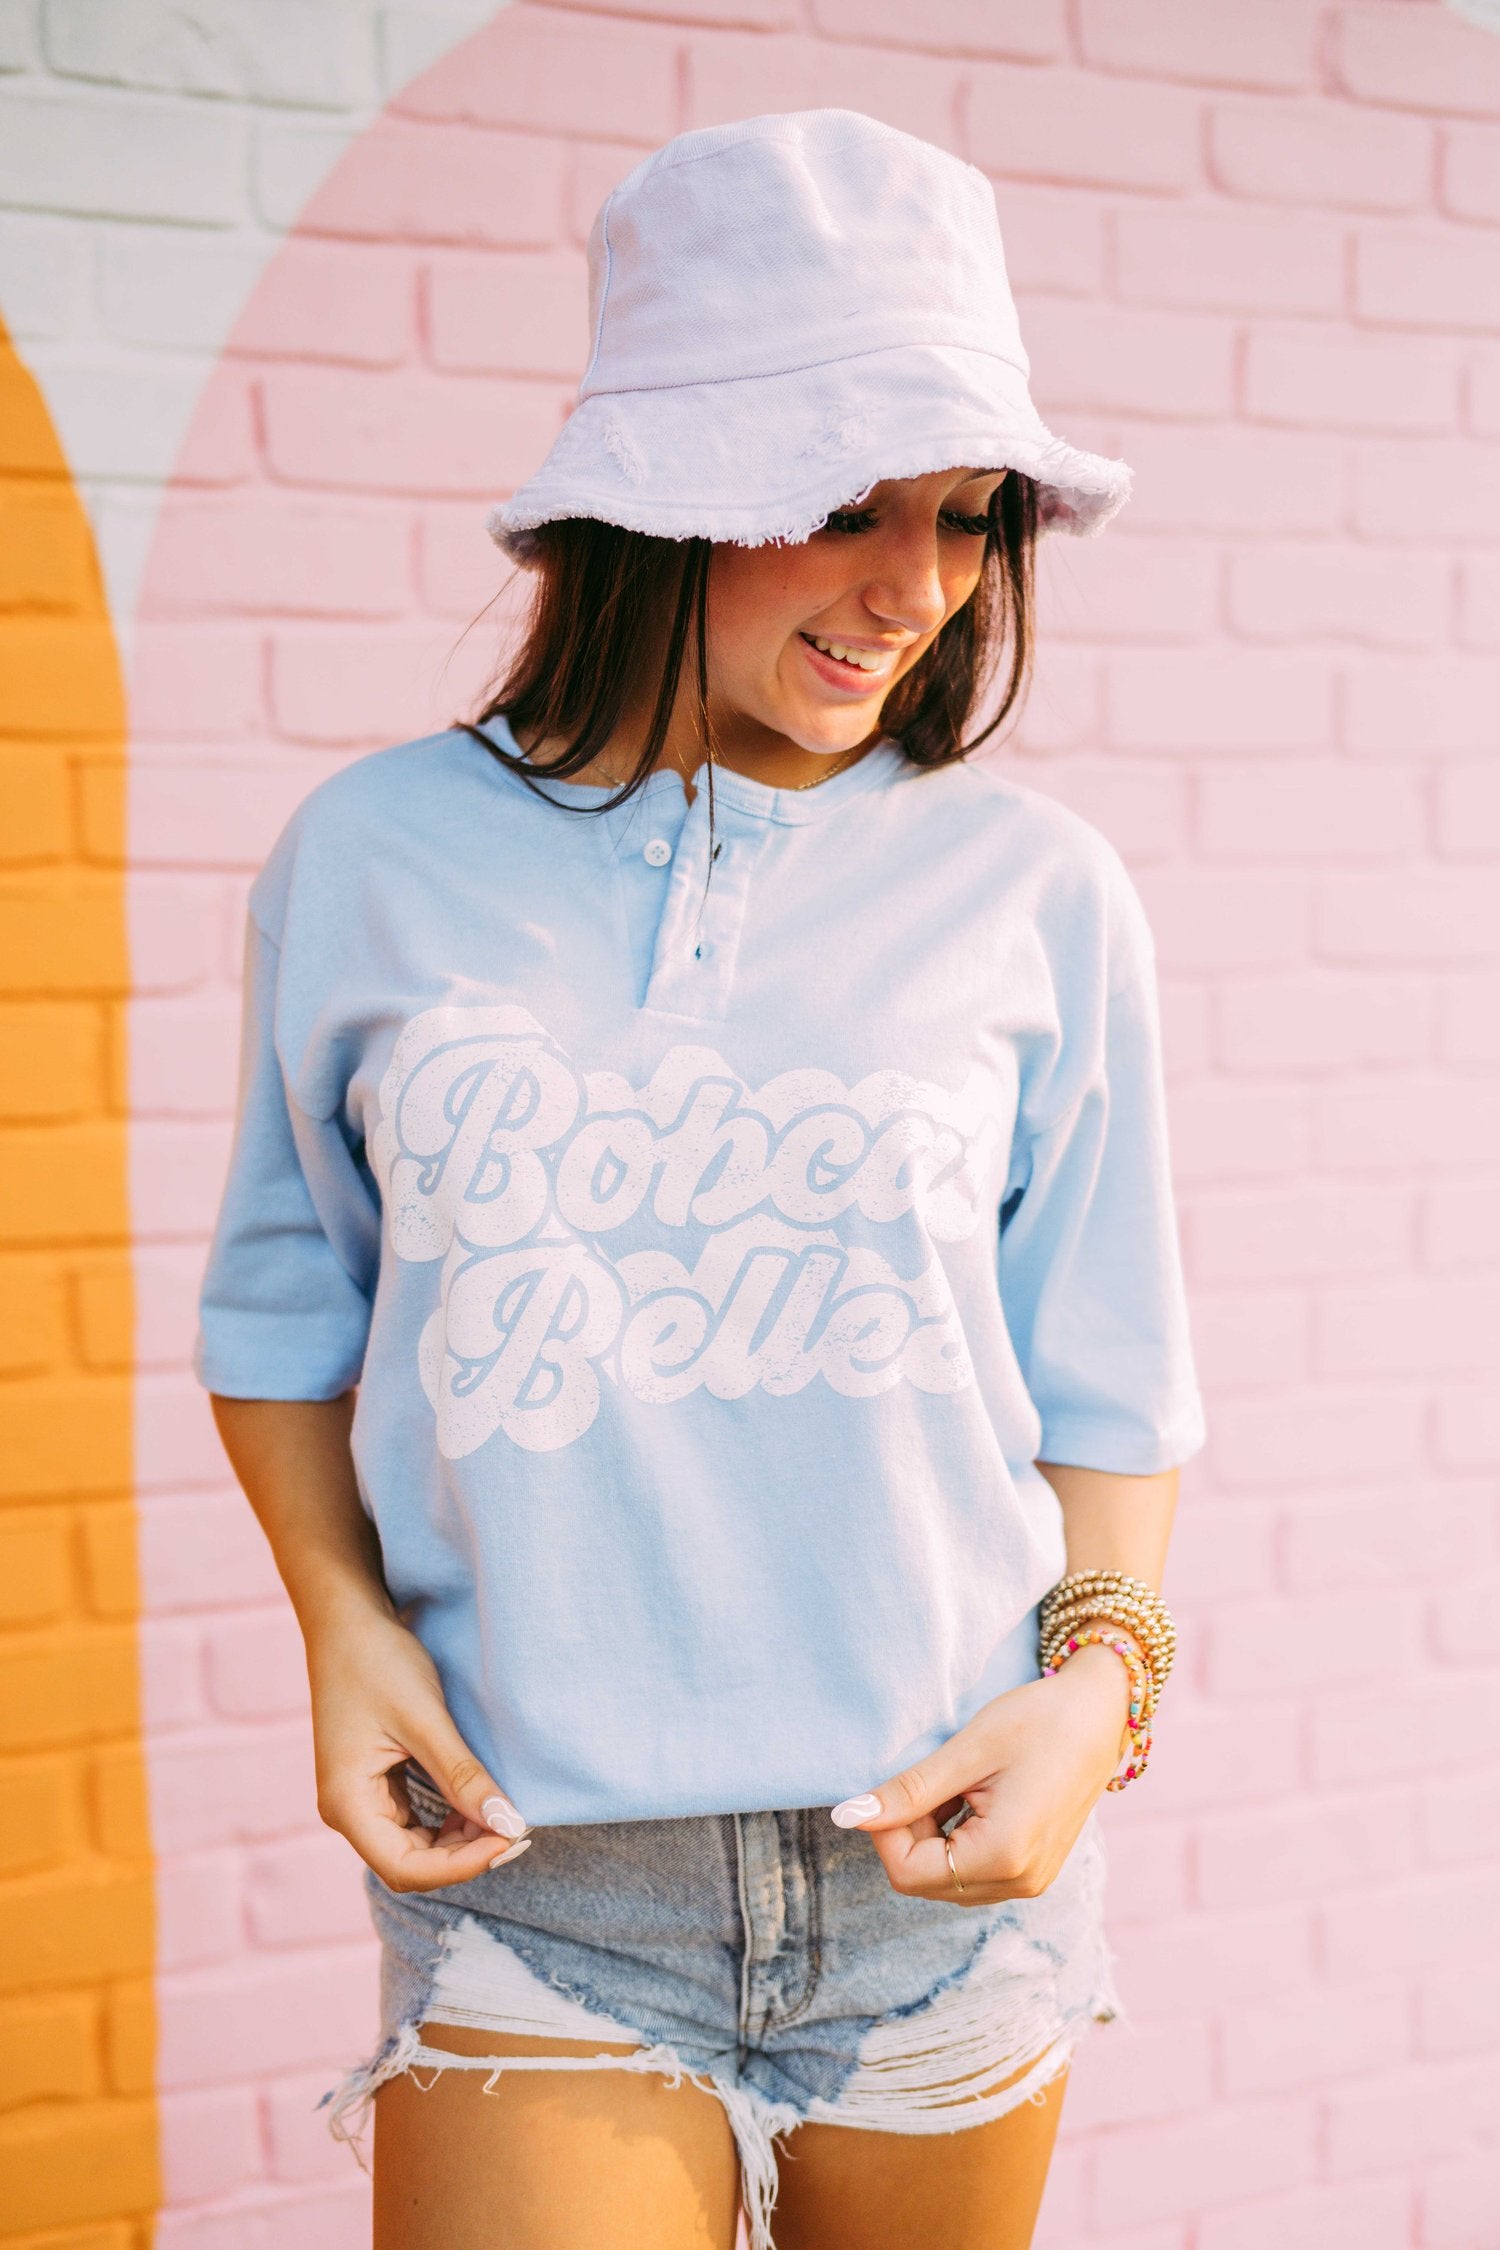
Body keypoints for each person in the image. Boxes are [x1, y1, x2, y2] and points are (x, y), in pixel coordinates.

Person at [199, 109, 1204, 2250]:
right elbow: (286, 1313)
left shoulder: (1038, 893)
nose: (919, 590)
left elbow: (1106, 1383)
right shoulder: (373, 861)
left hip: (943, 1883)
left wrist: (1095, 1696)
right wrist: (340, 1623)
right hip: (545, 1883)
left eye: (967, 517)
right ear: (658, 503)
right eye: (844, 502)